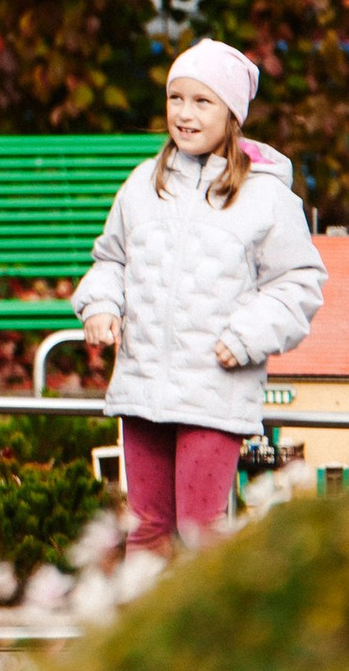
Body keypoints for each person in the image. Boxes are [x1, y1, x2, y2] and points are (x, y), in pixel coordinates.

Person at [73, 41, 325, 551]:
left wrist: (248, 335)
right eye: (175, 98)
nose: (184, 114)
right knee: (145, 529)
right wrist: (102, 304)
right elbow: (111, 260)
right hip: (142, 388)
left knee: (198, 533)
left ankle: (204, 633)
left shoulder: (266, 196)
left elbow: (298, 283)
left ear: (231, 112)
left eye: (202, 101)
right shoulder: (144, 184)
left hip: (214, 390)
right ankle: (140, 631)